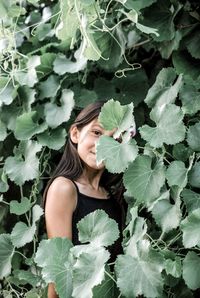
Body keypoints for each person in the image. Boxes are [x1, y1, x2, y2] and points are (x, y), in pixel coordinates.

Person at [43, 101, 126, 298]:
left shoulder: (113, 196)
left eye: (113, 139)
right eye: (97, 133)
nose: (103, 145)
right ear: (75, 134)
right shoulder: (64, 188)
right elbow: (60, 271)